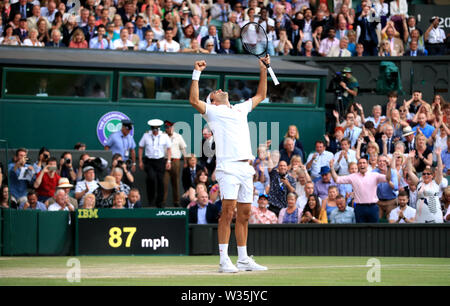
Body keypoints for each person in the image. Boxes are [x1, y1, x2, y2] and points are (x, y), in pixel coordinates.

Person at [189, 56, 269, 272]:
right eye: (215, 91)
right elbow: (194, 101)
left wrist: (263, 69)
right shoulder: (213, 112)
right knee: (228, 212)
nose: (220, 89)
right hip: (228, 168)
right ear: (212, 101)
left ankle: (243, 259)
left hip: (246, 168)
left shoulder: (240, 108)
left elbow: (261, 94)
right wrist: (196, 73)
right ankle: (224, 260)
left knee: (244, 214)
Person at [330, 157, 392, 223]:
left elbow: (387, 178)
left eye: (364, 163)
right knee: (361, 231)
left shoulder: (374, 175)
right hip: (360, 208)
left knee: (374, 229)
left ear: (367, 165)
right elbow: (337, 179)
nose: (362, 165)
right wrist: (331, 168)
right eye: (360, 163)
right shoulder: (352, 177)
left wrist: (389, 167)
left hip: (373, 207)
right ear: (358, 165)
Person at [138, 118, 172, 208]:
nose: (155, 131)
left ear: (159, 129)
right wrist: (140, 161)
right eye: (153, 129)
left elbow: (169, 148)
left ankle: (159, 202)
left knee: (161, 181)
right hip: (149, 161)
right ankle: (151, 200)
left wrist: (168, 161)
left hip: (160, 161)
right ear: (151, 129)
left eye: (156, 129)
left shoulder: (164, 136)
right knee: (151, 178)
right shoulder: (146, 136)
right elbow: (141, 147)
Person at [407, 148, 445, 223]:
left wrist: (438, 156)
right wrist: (409, 158)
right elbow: (410, 172)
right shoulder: (419, 183)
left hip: (434, 214)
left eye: (428, 174)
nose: (426, 175)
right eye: (424, 174)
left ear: (432, 175)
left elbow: (440, 169)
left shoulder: (436, 183)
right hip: (421, 215)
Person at [163, 120, 187, 207]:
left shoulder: (178, 136)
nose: (169, 129)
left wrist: (185, 161)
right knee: (164, 183)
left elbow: (183, 149)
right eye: (167, 127)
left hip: (176, 161)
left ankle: (176, 202)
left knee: (176, 182)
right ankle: (163, 202)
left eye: (170, 127)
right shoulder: (162, 136)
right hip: (165, 161)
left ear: (173, 128)